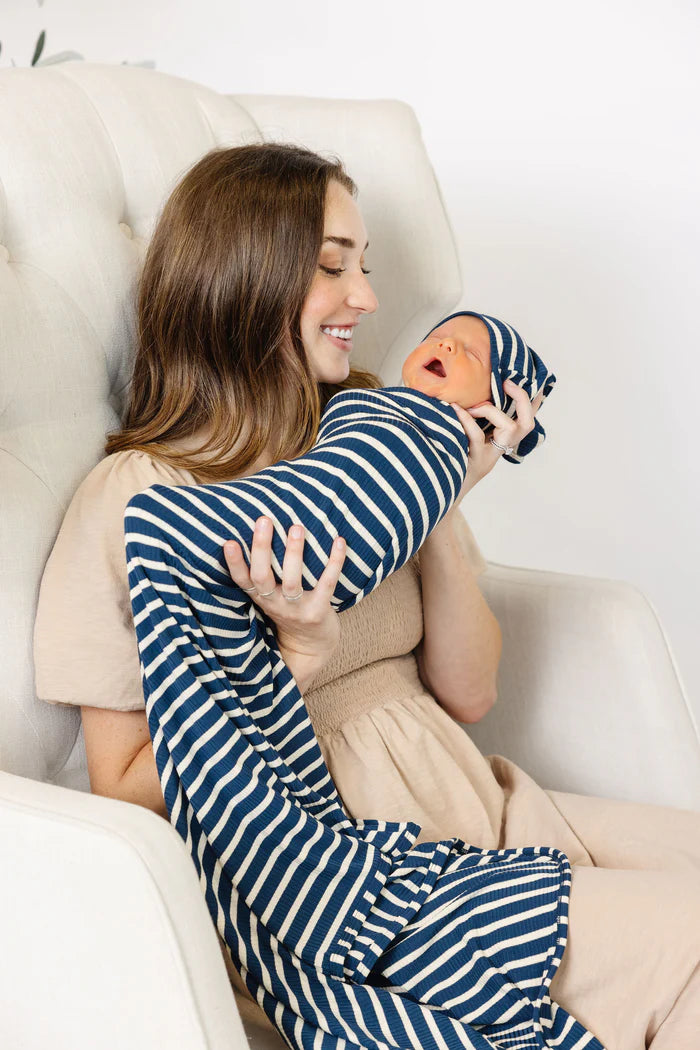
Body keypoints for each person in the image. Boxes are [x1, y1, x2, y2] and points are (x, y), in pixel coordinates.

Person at [32, 143, 700, 1050]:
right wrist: (293, 663)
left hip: (481, 804)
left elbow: (470, 694)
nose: (368, 299)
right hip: (366, 880)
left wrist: (446, 505)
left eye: (367, 265)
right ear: (246, 278)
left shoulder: (367, 449)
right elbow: (123, 787)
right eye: (333, 266)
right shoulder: (142, 501)